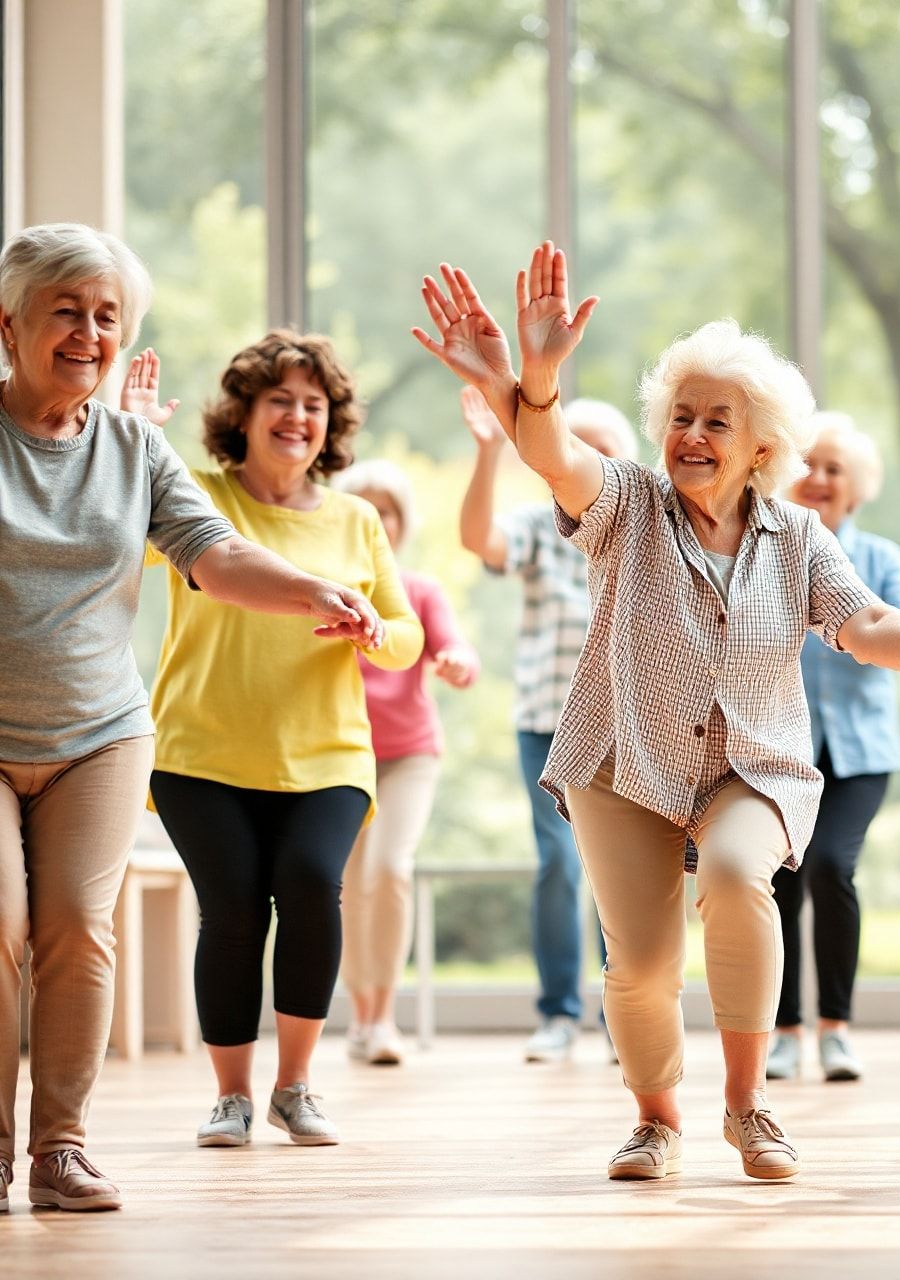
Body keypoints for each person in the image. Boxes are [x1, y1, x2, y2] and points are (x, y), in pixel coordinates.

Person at [414, 242, 900, 1181]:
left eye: (716, 422)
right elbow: (553, 454)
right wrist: (536, 374)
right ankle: (657, 1119)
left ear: (762, 448)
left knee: (740, 878)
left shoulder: (799, 534)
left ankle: (749, 1107)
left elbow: (863, 622)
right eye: (682, 417)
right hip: (624, 757)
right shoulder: (628, 504)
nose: (692, 435)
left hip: (753, 762)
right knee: (642, 964)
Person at [0, 224, 384, 1213]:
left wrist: (312, 588)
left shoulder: (133, 448)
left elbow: (214, 555)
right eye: (67, 311)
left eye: (108, 316)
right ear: (11, 324)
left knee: (78, 930)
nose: (89, 332)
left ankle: (60, 1148)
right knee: (0, 925)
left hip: (99, 732)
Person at [145, 332, 424, 1150]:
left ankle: (295, 1087)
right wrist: (128, 429)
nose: (298, 417)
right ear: (245, 413)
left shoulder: (356, 518)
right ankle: (231, 1096)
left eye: (314, 404)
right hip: (202, 750)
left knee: (310, 885)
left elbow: (405, 635)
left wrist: (374, 635)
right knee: (231, 909)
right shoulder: (196, 495)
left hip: (327, 753)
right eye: (281, 401)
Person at [459, 384, 634, 1063]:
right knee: (559, 864)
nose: (584, 459)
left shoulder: (642, 525)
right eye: (572, 445)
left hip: (629, 723)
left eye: (602, 449)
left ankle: (627, 1016)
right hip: (549, 717)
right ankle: (560, 1013)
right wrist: (484, 455)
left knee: (624, 870)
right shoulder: (538, 524)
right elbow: (480, 539)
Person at [766, 413, 900, 1082]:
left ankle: (834, 1029)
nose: (819, 478)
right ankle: (781, 1031)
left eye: (835, 469)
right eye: (807, 465)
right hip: (779, 748)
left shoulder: (881, 558)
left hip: (860, 753)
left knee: (830, 867)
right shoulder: (766, 550)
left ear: (856, 486)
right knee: (777, 880)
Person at [331, 459, 479, 1066]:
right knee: (346, 889)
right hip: (339, 754)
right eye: (366, 509)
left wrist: (457, 663)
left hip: (409, 753)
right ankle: (360, 1017)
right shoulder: (326, 587)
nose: (379, 521)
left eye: (388, 510)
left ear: (401, 523)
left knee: (388, 871)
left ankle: (382, 1019)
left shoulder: (417, 591)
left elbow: (454, 645)